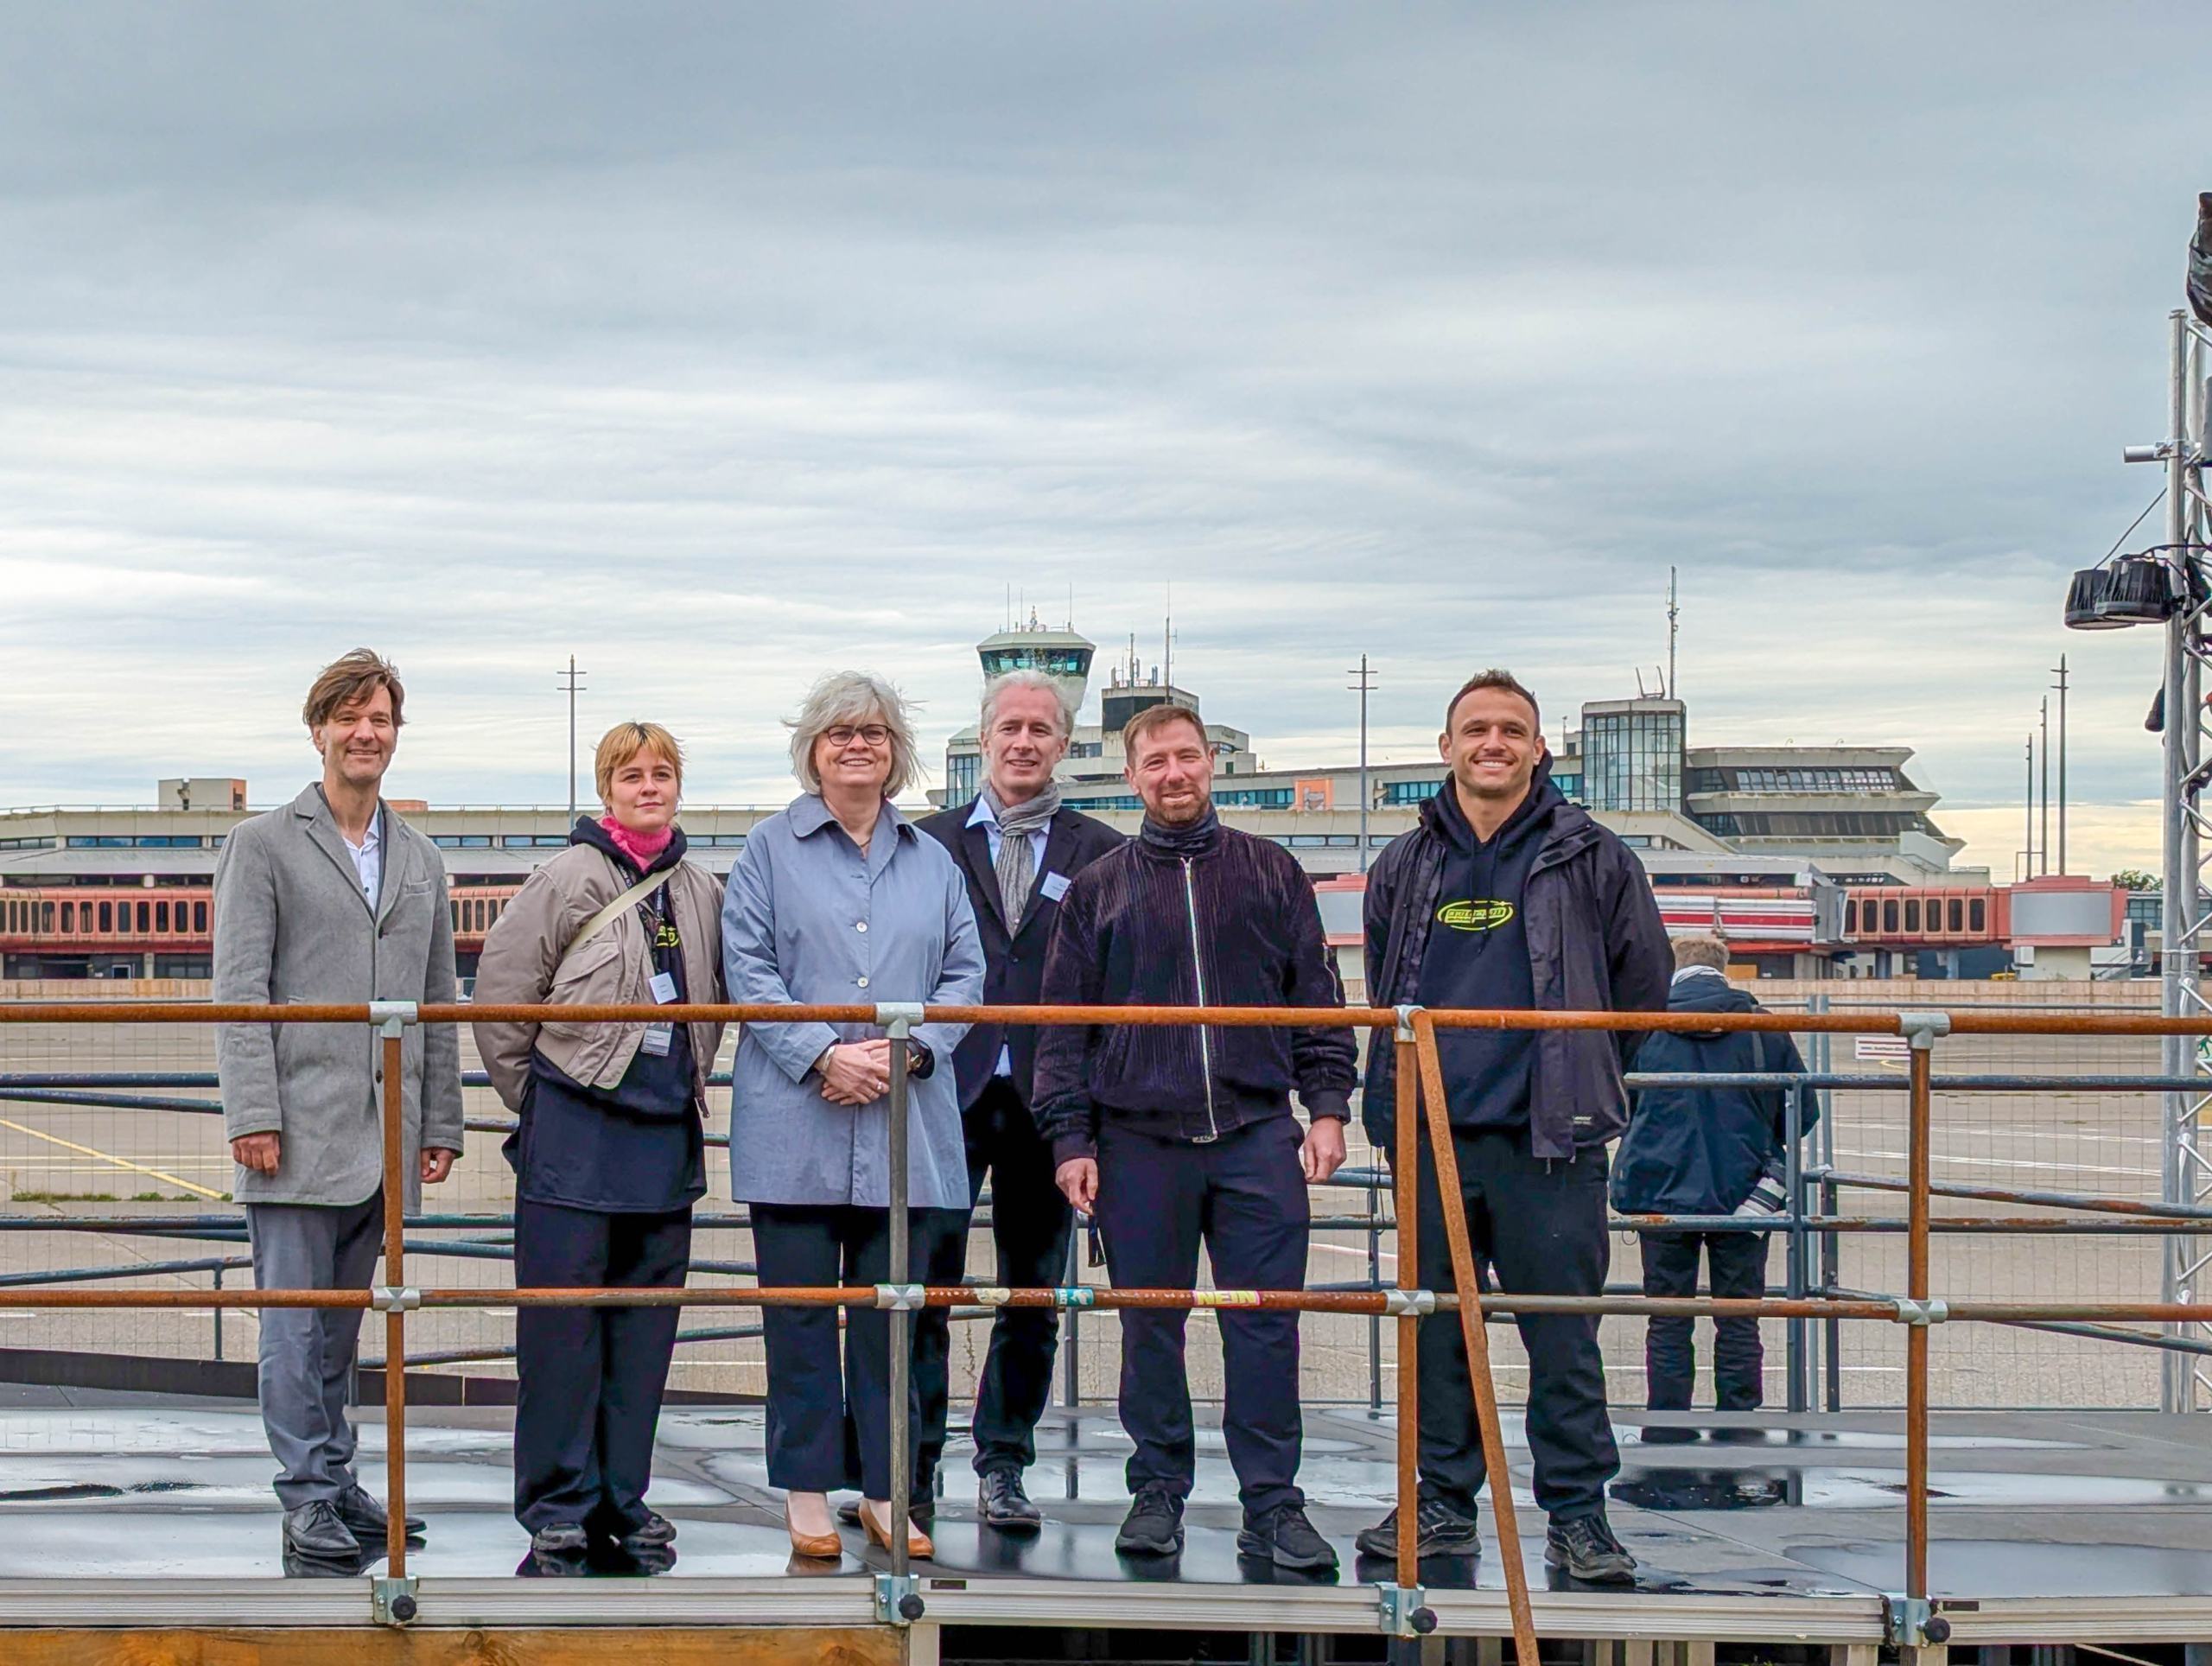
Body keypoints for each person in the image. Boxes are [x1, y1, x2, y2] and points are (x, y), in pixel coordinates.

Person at [1354, 669, 1669, 1585]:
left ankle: (1578, 1515)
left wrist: (1577, 1080)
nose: (1492, 743)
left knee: (1562, 1337)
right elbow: (1385, 985)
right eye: (1475, 729)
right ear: (1445, 746)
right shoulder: (1405, 864)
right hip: (1431, 1139)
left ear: (1540, 748)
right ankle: (1442, 1506)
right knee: (1437, 1333)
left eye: (1511, 730)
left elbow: (1638, 993)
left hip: (1551, 1144)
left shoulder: (1595, 857)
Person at [1034, 702, 1357, 1573]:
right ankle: (1158, 1490)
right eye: (1155, 762)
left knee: (1265, 1327)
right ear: (1131, 775)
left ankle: (1272, 1503)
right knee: (1151, 1327)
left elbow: (1316, 1000)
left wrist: (1326, 1105)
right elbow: (1062, 1025)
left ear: (1209, 761)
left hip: (1254, 1133)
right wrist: (1072, 1138)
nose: (1173, 773)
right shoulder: (1101, 885)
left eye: (1186, 756)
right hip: (1138, 1141)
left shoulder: (1270, 871)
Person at [722, 671, 984, 1562]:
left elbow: (964, 977)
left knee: (892, 1320)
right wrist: (822, 1055)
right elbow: (748, 969)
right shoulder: (767, 849)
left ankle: (885, 1487)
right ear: (813, 749)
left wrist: (906, 1053)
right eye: (839, 733)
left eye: (872, 731)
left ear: (895, 749)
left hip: (906, 1131)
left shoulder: (933, 860)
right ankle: (804, 1489)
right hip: (794, 1123)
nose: (857, 745)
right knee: (798, 1317)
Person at [213, 649, 463, 1574]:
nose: (367, 732)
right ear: (318, 728)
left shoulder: (423, 856)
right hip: (292, 1131)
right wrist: (252, 1112)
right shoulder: (263, 845)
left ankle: (340, 1477)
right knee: (293, 1327)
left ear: (397, 734)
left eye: (382, 718)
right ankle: (305, 1495)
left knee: (352, 1324)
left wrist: (440, 1122)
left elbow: (436, 1000)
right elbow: (238, 993)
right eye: (350, 716)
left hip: (386, 1137)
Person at [472, 722, 728, 1571]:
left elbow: (718, 995)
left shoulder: (697, 886)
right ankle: (557, 1503)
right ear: (604, 787)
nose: (647, 786)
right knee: (562, 1334)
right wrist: (539, 1101)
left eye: (661, 773)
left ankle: (624, 1495)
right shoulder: (564, 878)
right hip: (575, 1139)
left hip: (663, 1141)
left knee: (642, 1335)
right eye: (630, 774)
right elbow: (504, 996)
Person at [913, 669, 1125, 1531]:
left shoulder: (1103, 850)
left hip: (1051, 1100)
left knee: (1032, 1293)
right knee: (917, 1289)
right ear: (984, 737)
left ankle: (1003, 1463)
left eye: (1042, 728)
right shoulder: (923, 843)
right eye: (1010, 726)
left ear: (1064, 743)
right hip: (942, 1092)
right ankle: (908, 1470)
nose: (1024, 741)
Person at [1609, 932, 1811, 1440]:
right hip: (1745, 1194)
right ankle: (1739, 1424)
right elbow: (1800, 1113)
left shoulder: (1643, 1026)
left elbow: (1613, 1107)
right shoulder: (1764, 1029)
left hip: (1662, 1192)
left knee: (1669, 1317)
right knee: (1739, 1316)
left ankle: (1669, 1422)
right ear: (1725, 967)